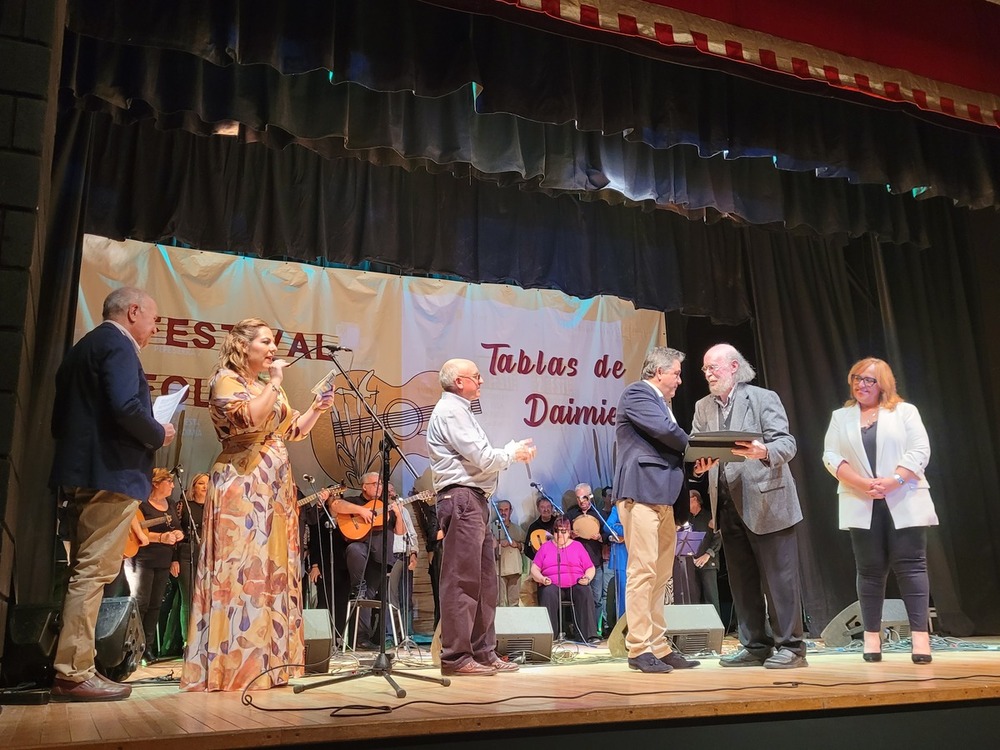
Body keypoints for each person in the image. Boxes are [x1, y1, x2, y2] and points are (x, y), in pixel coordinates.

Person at [180, 318, 335, 691]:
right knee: (241, 569)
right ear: (242, 345)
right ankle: (234, 666)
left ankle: (271, 664)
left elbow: (292, 430)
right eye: (265, 342)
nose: (272, 349)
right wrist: (278, 384)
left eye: (274, 343)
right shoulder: (226, 380)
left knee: (271, 569)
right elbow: (248, 418)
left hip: (274, 487)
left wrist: (316, 407)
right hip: (241, 483)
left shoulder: (266, 387)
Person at [49, 286, 176, 701]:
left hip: (85, 471)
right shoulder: (118, 346)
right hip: (112, 474)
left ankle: (75, 665)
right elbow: (125, 408)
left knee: (84, 569)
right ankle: (73, 671)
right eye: (154, 319)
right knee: (94, 571)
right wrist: (159, 431)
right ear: (133, 311)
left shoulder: (84, 347)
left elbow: (62, 418)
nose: (155, 328)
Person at [692, 343, 807, 669]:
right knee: (742, 582)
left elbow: (787, 444)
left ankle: (793, 648)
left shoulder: (762, 398)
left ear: (733, 367)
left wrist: (762, 451)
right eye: (704, 369)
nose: (707, 373)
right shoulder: (703, 407)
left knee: (779, 580)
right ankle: (756, 645)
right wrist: (699, 466)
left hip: (768, 500)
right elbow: (696, 445)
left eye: (712, 367)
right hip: (726, 504)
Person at [822, 357, 937, 664]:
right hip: (861, 499)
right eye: (856, 378)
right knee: (870, 571)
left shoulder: (904, 412)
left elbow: (920, 450)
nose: (861, 384)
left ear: (883, 383)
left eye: (869, 380)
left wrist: (894, 480)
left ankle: (920, 640)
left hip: (904, 496)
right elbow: (830, 455)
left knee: (911, 567)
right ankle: (872, 639)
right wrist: (861, 483)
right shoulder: (841, 417)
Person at [426, 358, 536, 677]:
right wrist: (512, 453)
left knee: (486, 581)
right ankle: (457, 656)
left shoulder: (460, 410)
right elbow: (484, 458)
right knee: (463, 580)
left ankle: (482, 651)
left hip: (474, 500)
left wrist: (508, 453)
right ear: (459, 382)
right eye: (476, 376)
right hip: (462, 498)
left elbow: (482, 458)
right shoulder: (450, 411)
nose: (482, 381)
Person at [613, 346, 699, 673]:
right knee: (643, 572)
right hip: (641, 493)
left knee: (662, 576)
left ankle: (659, 646)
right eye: (676, 373)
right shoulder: (637, 393)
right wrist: (697, 447)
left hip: (664, 498)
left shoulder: (663, 404)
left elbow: (671, 449)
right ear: (658, 371)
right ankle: (638, 648)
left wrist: (696, 461)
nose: (679, 380)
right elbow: (667, 434)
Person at [327, 471, 407, 647]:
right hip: (360, 551)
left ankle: (361, 639)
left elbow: (400, 532)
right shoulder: (355, 501)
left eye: (381, 484)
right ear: (364, 486)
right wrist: (361, 510)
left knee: (367, 596)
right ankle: (358, 587)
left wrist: (399, 514)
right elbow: (336, 505)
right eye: (375, 484)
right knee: (354, 550)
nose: (379, 487)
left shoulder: (387, 505)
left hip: (380, 556)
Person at [124, 467, 184, 661]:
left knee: (156, 604)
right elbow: (133, 532)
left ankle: (147, 647)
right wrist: (161, 537)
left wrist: (177, 535)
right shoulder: (141, 505)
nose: (173, 486)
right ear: (156, 483)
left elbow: (178, 528)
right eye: (169, 482)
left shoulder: (171, 504)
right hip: (143, 559)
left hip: (164, 559)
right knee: (141, 603)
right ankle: (132, 647)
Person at [529, 516, 598, 642]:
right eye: (557, 531)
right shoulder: (545, 547)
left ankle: (588, 635)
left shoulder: (578, 546)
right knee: (548, 592)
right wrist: (542, 579)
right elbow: (534, 569)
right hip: (552, 584)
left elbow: (590, 567)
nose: (560, 535)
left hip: (575, 584)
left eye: (564, 531)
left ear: (569, 532)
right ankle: (550, 636)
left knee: (585, 591)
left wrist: (587, 578)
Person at [567, 483, 610, 631]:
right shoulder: (571, 515)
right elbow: (560, 535)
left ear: (590, 496)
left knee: (596, 599)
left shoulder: (599, 514)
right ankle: (580, 629)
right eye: (578, 498)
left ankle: (595, 630)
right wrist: (570, 536)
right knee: (578, 598)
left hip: (595, 562)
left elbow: (608, 534)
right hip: (575, 565)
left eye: (584, 497)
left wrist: (600, 537)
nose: (582, 501)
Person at [688, 489, 722, 619]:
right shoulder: (688, 519)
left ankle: (717, 628)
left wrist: (708, 554)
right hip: (692, 564)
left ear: (695, 500)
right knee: (694, 597)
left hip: (708, 563)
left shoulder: (709, 516)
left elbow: (718, 537)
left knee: (711, 597)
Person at [494, 500, 525, 607]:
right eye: (501, 510)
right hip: (499, 569)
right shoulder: (493, 527)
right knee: (499, 603)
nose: (503, 512)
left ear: (510, 511)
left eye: (506, 510)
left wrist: (518, 544)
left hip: (515, 568)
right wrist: (498, 542)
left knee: (514, 603)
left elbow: (526, 546)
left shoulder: (518, 529)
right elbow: (486, 544)